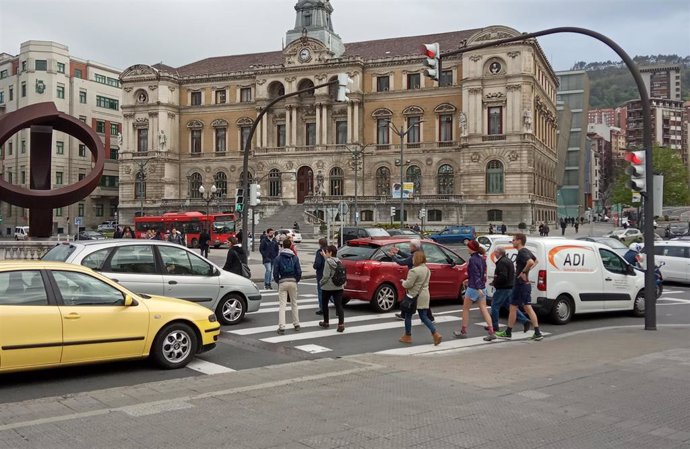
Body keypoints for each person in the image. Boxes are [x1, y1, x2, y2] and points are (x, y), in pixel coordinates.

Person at [496, 233, 544, 341]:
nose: (512, 242)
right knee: (528, 307)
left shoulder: (522, 252)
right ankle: (537, 332)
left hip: (520, 284)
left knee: (513, 307)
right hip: (526, 284)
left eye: (513, 240)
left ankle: (508, 332)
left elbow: (531, 262)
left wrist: (523, 272)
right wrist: (527, 271)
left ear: (519, 240)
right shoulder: (526, 250)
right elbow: (535, 261)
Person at [453, 240, 496, 341]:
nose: (467, 248)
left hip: (474, 288)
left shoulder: (472, 260)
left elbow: (475, 274)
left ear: (471, 248)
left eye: (468, 247)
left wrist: (477, 286)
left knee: (466, 309)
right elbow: (481, 274)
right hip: (481, 286)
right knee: (484, 309)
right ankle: (491, 331)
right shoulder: (481, 259)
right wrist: (479, 285)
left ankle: (463, 330)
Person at [399, 251, 441, 345]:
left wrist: (403, 282)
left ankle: (407, 336)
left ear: (416, 259)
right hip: (425, 295)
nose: (412, 260)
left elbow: (408, 284)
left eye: (413, 258)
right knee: (424, 316)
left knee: (408, 316)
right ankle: (435, 333)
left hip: (414, 296)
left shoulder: (414, 271)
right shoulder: (427, 270)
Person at [487, 246, 531, 333]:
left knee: (495, 305)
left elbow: (503, 276)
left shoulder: (502, 262)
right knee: (509, 306)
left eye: (495, 253)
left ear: (499, 253)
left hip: (503, 288)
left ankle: (494, 326)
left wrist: (495, 282)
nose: (494, 254)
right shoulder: (508, 260)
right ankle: (525, 321)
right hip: (509, 286)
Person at [389, 239, 434, 322]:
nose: (409, 247)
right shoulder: (418, 252)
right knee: (411, 297)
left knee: (413, 297)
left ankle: (429, 318)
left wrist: (393, 256)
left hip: (415, 277)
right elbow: (408, 257)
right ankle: (404, 315)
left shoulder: (416, 255)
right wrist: (399, 252)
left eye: (410, 246)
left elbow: (403, 262)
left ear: (414, 247)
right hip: (417, 276)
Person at [273, 238, 302, 335]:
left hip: (282, 282)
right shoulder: (295, 257)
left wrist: (278, 281)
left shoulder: (278, 258)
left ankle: (282, 327)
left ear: (282, 246)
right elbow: (299, 271)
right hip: (293, 281)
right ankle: (296, 324)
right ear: (290, 246)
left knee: (282, 305)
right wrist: (296, 280)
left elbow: (275, 272)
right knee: (294, 303)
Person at [319, 245, 346, 333]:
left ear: (330, 253)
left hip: (328, 287)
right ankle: (341, 324)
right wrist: (324, 256)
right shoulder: (339, 261)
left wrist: (321, 282)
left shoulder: (328, 262)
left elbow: (326, 276)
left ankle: (326, 322)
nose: (326, 253)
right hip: (338, 287)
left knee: (325, 304)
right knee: (338, 305)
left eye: (327, 252)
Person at [313, 238, 328, 315]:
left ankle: (322, 308)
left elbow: (317, 264)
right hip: (329, 273)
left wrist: (314, 266)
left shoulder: (319, 252)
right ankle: (338, 307)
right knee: (330, 291)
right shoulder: (329, 250)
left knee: (320, 291)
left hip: (321, 273)